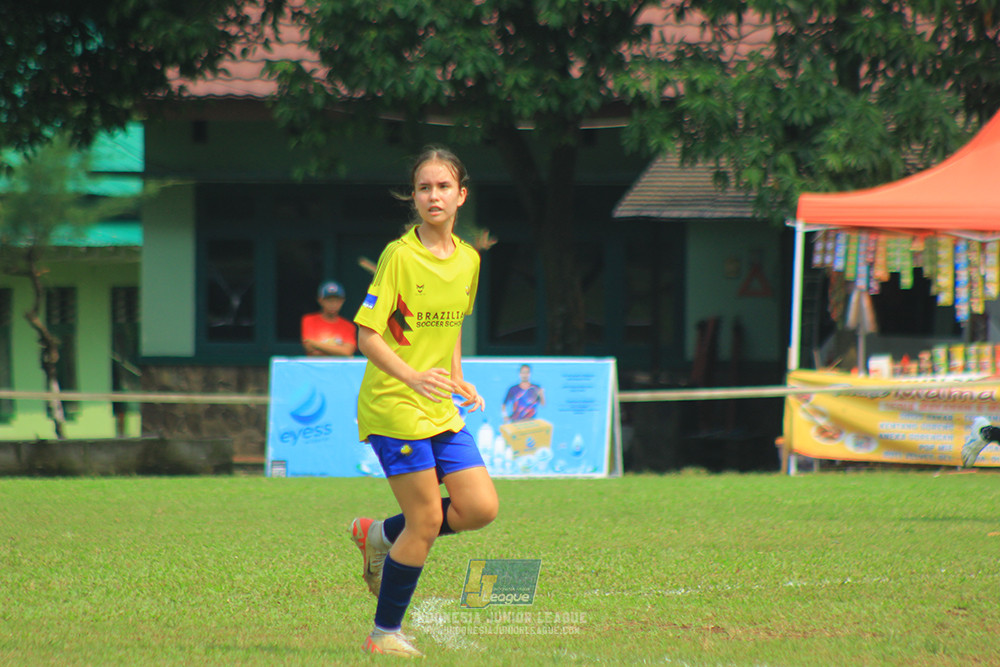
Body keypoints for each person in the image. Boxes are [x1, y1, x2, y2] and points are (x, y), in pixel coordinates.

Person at [349, 147, 499, 657]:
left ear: (461, 195)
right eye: (423, 188)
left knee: (479, 508)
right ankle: (383, 634)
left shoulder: (469, 260)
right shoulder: (399, 256)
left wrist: (457, 377)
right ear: (413, 198)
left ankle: (378, 536)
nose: (433, 196)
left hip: (437, 404)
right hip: (394, 402)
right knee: (427, 520)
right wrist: (413, 377)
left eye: (443, 187)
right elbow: (367, 336)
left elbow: (450, 326)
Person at [300, 281, 357, 356]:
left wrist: (316, 345)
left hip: (338, 364)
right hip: (316, 363)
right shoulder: (309, 320)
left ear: (342, 301)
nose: (333, 304)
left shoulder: (348, 326)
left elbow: (347, 352)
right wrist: (337, 349)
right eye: (329, 300)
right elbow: (309, 348)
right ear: (320, 300)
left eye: (336, 300)